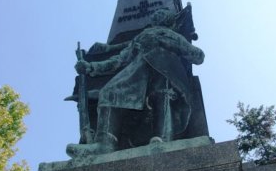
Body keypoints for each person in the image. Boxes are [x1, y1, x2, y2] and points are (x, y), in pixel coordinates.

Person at [67, 9, 204, 157]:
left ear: (170, 20)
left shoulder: (172, 35)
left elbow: (198, 56)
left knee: (161, 91)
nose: (157, 14)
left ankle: (162, 138)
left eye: (163, 13)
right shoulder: (141, 37)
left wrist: (168, 43)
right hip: (137, 74)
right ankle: (105, 144)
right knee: (108, 92)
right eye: (156, 13)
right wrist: (91, 67)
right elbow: (119, 60)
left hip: (166, 72)